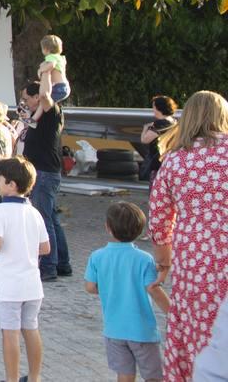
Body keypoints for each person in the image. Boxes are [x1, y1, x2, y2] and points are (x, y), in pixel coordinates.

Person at [149, 90, 228, 382]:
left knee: (197, 336)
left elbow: (158, 222)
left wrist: (164, 264)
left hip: (194, 267)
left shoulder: (174, 161)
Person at [84, 201, 169, 382]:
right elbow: (153, 289)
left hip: (114, 330)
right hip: (142, 330)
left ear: (108, 227)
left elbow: (90, 287)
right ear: (140, 230)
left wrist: (110, 287)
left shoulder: (97, 256)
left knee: (124, 375)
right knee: (153, 376)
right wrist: (174, 312)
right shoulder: (144, 259)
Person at [0, 156, 49, 382]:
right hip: (32, 283)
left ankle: (11, 379)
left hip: (9, 284)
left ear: (11, 184)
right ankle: (34, 377)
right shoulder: (34, 212)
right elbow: (45, 247)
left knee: (10, 333)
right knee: (31, 329)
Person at [21, 80, 71, 281]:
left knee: (44, 220)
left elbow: (47, 97)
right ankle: (62, 263)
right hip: (43, 172)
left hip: (44, 173)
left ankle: (49, 266)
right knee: (51, 219)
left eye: (27, 99)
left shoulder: (51, 111)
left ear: (37, 97)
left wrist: (47, 72)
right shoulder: (39, 115)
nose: (24, 103)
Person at [140, 95, 178, 182]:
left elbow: (144, 140)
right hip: (169, 160)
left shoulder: (159, 124)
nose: (153, 110)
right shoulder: (174, 121)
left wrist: (145, 128)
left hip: (157, 162)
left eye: (153, 107)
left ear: (158, 108)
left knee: (155, 188)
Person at [37, 34, 71, 103]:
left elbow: (51, 65)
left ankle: (38, 114)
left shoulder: (50, 56)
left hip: (58, 87)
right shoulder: (60, 58)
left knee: (44, 102)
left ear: (46, 49)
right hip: (65, 86)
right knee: (49, 103)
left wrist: (41, 70)